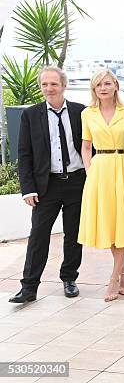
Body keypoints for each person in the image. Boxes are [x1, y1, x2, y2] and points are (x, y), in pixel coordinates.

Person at [9, 67, 86, 303]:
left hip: (77, 181)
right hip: (46, 186)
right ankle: (29, 287)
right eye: (44, 85)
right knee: (38, 236)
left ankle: (69, 278)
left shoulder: (80, 112)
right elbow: (24, 154)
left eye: (53, 84)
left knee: (74, 234)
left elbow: (89, 146)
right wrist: (28, 188)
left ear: (64, 85)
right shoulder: (31, 115)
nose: (49, 89)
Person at [78, 69, 124, 302]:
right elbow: (86, 147)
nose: (103, 88)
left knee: (122, 224)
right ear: (94, 88)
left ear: (116, 85)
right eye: (98, 84)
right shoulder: (87, 113)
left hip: (123, 167)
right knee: (109, 224)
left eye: (107, 83)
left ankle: (113, 278)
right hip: (100, 171)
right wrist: (90, 174)